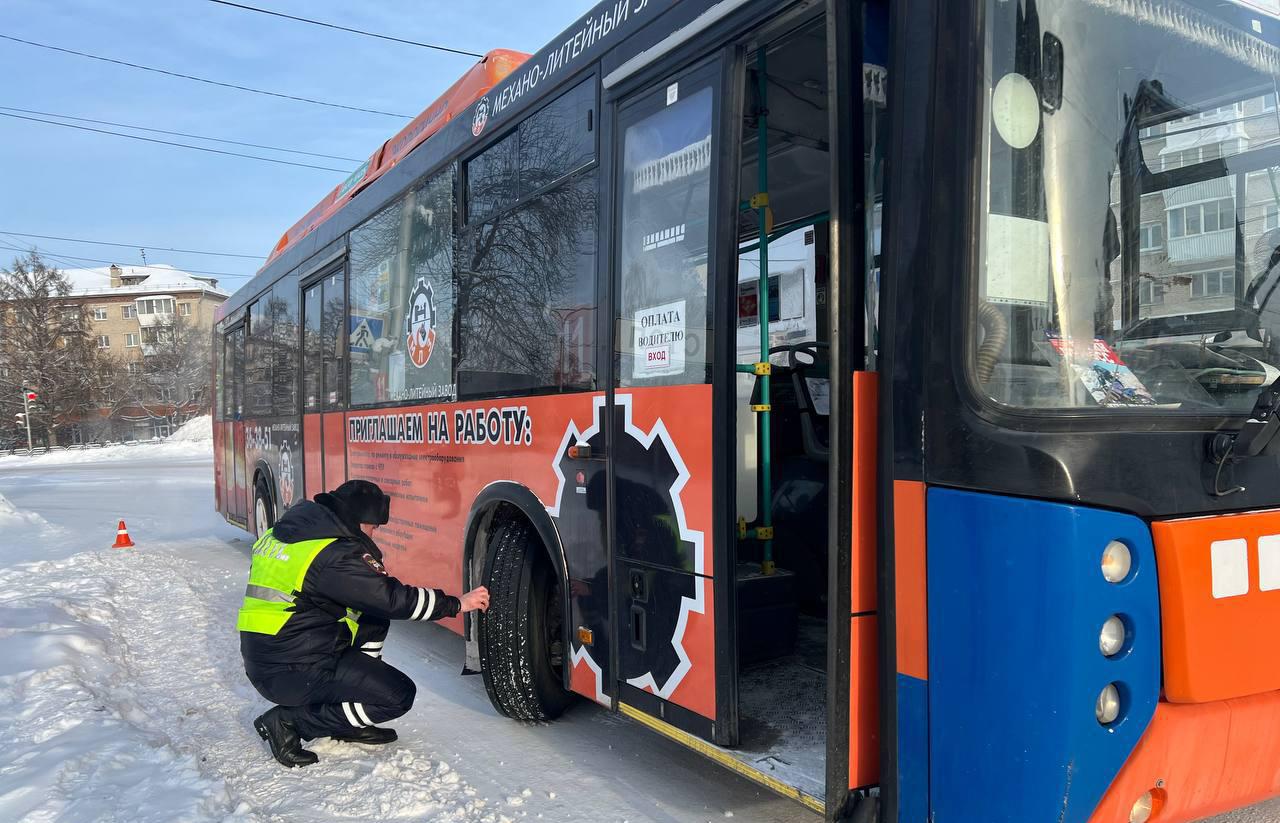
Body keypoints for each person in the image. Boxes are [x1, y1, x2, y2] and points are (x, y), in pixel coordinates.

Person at [237, 479, 489, 767]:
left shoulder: (293, 531)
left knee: (371, 612)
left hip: (276, 653)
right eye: (373, 526)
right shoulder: (332, 553)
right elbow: (393, 599)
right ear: (358, 520)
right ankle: (288, 723)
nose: (375, 533)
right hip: (291, 668)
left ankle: (346, 718)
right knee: (397, 695)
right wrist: (458, 604)